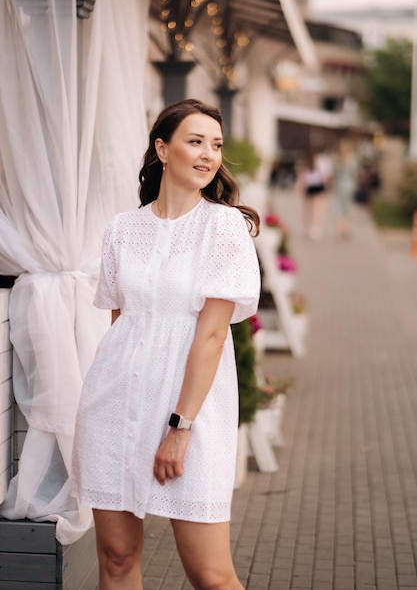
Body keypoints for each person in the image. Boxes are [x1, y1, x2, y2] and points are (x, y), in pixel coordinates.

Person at [71, 99, 261, 589]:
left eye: (215, 145)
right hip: (114, 410)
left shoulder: (224, 228)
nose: (208, 155)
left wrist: (180, 426)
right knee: (115, 560)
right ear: (162, 148)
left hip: (190, 415)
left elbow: (214, 335)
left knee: (211, 575)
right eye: (195, 141)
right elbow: (122, 326)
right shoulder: (122, 229)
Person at [296, 148, 332, 240]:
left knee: (308, 208)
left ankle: (308, 225)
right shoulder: (322, 161)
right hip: (318, 186)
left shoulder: (304, 162)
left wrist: (301, 189)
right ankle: (316, 227)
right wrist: (327, 187)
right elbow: (325, 176)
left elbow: (302, 177)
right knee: (318, 208)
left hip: (309, 186)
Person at [332, 139, 358, 238]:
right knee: (347, 208)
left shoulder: (337, 160)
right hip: (349, 185)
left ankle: (339, 229)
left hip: (339, 185)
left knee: (339, 208)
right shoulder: (351, 160)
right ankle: (347, 228)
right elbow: (354, 173)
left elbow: (334, 175)